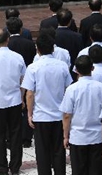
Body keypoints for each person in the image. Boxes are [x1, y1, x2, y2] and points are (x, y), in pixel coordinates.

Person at [22, 31, 72, 175]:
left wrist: (30, 114)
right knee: (58, 150)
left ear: (37, 49)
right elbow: (67, 88)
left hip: (41, 115)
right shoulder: (62, 66)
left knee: (42, 152)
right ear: (53, 48)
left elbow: (30, 93)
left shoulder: (33, 67)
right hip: (59, 115)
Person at [59, 55, 102, 175]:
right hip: (97, 137)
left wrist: (65, 136)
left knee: (79, 171)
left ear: (76, 70)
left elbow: (66, 115)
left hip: (78, 137)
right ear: (92, 68)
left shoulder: (72, 89)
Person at [0, 29, 26, 175]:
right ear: (8, 40)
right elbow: (24, 80)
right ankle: (15, 166)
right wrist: (21, 97)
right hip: (14, 100)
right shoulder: (17, 57)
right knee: (16, 134)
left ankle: (2, 166)